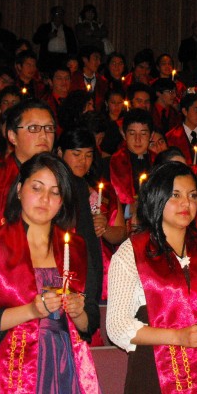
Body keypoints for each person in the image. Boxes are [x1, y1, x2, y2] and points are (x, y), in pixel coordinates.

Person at [0, 152, 101, 392]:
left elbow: (90, 321)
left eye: (55, 192)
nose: (45, 199)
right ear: (20, 189)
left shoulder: (76, 247)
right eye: (37, 188)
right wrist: (31, 311)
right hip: (5, 366)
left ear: (63, 200)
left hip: (64, 363)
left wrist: (78, 312)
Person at [107, 162, 197, 393]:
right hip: (153, 370)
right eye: (176, 195)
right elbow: (117, 326)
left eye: (192, 195)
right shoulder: (131, 252)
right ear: (157, 197)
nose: (186, 203)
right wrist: (178, 337)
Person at [57, 127, 123, 300]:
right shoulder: (53, 189)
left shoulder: (104, 190)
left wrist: (105, 229)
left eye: (88, 155)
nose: (83, 161)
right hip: (67, 265)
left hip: (103, 268)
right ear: (60, 153)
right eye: (76, 154)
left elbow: (122, 232)